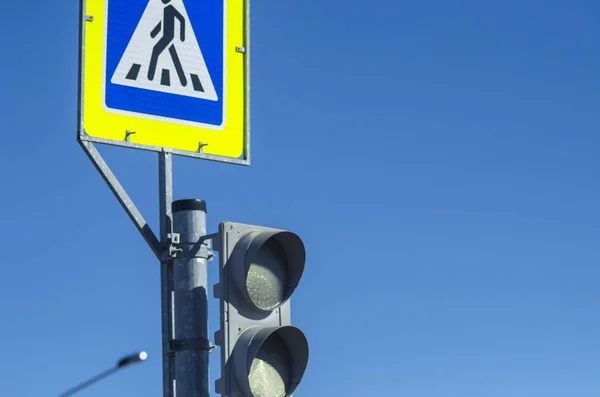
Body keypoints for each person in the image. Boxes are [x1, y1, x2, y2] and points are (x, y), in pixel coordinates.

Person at [147, 0, 187, 86]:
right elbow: (162, 23)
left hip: (169, 37)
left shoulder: (171, 8)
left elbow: (182, 19)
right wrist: (154, 33)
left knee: (155, 51)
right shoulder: (165, 9)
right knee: (174, 56)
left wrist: (182, 36)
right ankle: (184, 81)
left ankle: (149, 77)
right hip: (167, 36)